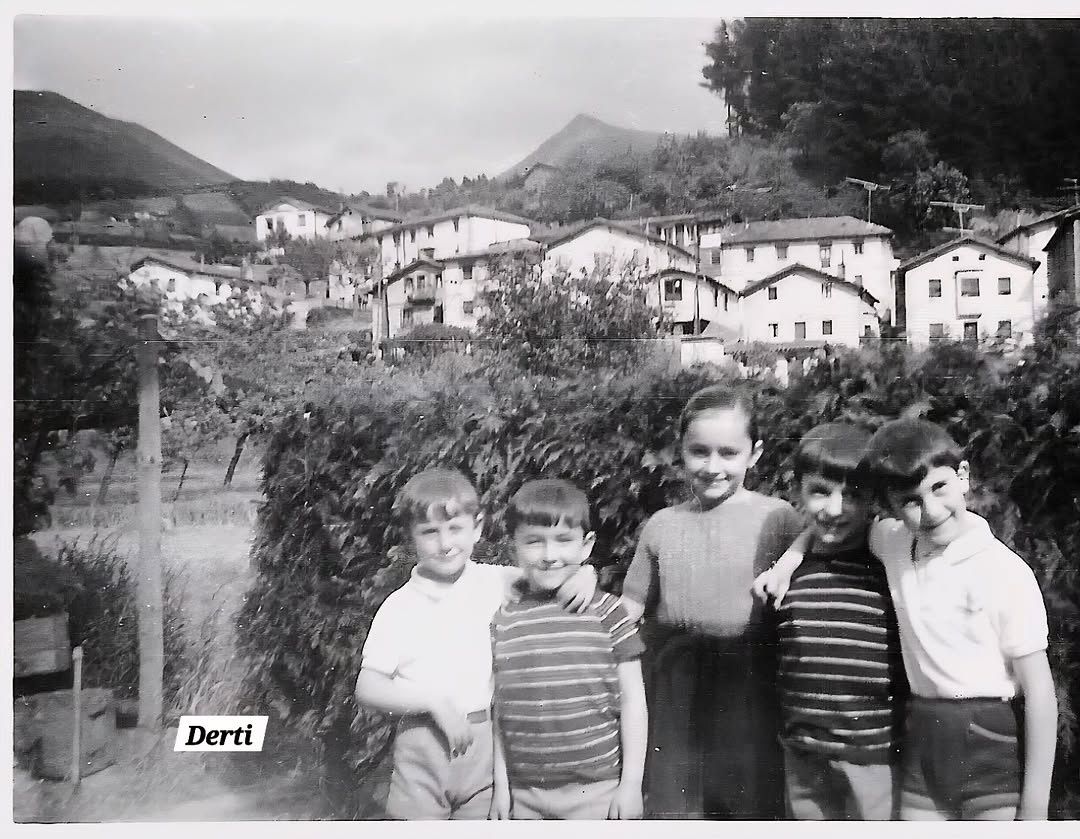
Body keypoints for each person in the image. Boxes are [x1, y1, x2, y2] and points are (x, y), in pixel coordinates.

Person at [757, 418, 1057, 820]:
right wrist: (788, 561)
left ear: (963, 476)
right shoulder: (896, 543)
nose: (930, 511)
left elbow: (1040, 692)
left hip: (987, 738)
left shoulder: (1005, 571)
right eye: (911, 501)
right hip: (921, 738)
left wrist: (1036, 810)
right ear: (892, 508)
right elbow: (827, 526)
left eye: (939, 488)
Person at [353, 468, 597, 820]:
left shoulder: (496, 581)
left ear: (478, 526)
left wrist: (585, 574)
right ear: (411, 536)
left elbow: (552, 575)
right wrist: (432, 702)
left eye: (455, 528)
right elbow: (368, 686)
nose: (445, 543)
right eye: (430, 532)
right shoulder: (399, 607)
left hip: (486, 746)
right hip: (424, 741)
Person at [621, 384, 805, 819]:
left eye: (728, 453)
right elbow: (630, 608)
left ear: (754, 454)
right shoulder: (663, 525)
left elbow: (812, 563)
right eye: (699, 452)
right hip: (674, 682)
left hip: (750, 681)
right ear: (681, 451)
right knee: (675, 802)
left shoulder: (777, 517)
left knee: (747, 801)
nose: (713, 466)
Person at [764, 422, 906, 819]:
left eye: (854, 496)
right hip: (803, 751)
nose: (835, 509)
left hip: (873, 754)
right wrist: (793, 554)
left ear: (874, 500)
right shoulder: (789, 573)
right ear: (799, 492)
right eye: (820, 492)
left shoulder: (886, 566)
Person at [489, 479, 648, 820]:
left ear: (586, 544)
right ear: (513, 546)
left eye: (564, 541)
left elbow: (634, 701)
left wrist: (631, 784)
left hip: (598, 791)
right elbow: (499, 710)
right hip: (523, 794)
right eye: (534, 542)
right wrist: (501, 787)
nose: (549, 556)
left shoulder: (608, 612)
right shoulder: (503, 620)